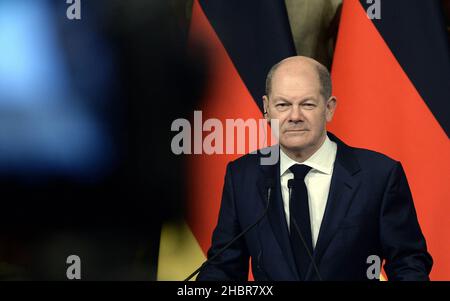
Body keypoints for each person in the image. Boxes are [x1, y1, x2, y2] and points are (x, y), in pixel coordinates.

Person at [196, 56, 432, 281]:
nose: (295, 116)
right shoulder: (243, 176)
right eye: (283, 104)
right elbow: (223, 268)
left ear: (329, 108)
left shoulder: (379, 176)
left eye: (307, 104)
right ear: (266, 109)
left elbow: (408, 264)